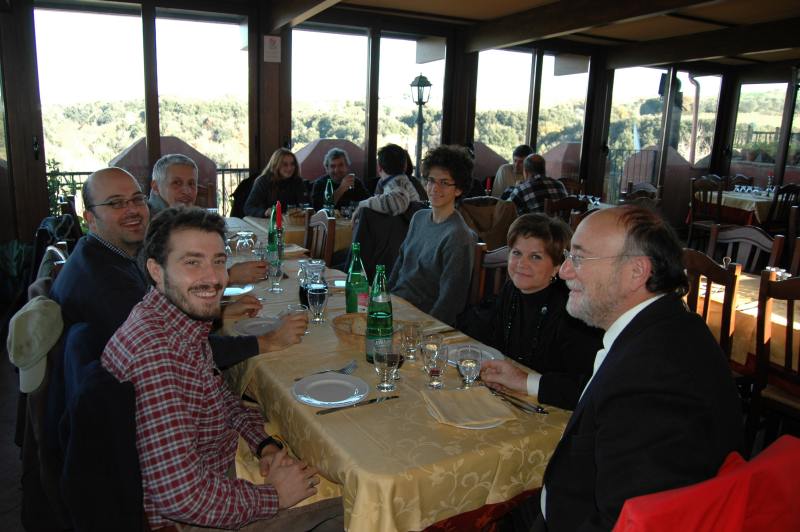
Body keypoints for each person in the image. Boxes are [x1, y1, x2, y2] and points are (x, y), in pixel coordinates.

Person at [484, 206, 742, 530]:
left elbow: (623, 521)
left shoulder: (655, 377)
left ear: (636, 272)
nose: (564, 271)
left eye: (578, 258)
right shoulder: (659, 328)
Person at [102, 207, 342, 531]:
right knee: (353, 498)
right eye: (192, 262)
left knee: (317, 452)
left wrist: (264, 445)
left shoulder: (178, 322)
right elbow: (182, 497)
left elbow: (220, 398)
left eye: (218, 261)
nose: (213, 277)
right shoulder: (156, 353)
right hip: (196, 517)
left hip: (218, 467)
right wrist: (274, 495)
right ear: (156, 271)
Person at [50, 167, 306, 369]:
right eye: (116, 203)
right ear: (90, 219)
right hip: (124, 410)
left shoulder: (103, 255)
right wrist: (267, 341)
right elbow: (182, 353)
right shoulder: (103, 282)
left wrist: (221, 312)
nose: (132, 210)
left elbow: (167, 322)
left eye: (136, 199)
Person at [459, 214, 602, 410]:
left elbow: (588, 388)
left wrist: (524, 381)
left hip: (555, 413)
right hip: (509, 401)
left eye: (535, 256)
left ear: (557, 267)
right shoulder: (511, 291)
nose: (521, 264)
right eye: (516, 253)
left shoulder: (573, 311)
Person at [388, 145, 477, 326]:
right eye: (431, 180)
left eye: (444, 182)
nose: (434, 188)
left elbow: (451, 301)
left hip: (420, 320)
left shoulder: (459, 236)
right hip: (395, 307)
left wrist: (425, 332)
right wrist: (381, 298)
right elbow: (400, 264)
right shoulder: (419, 218)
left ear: (458, 189)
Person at [148, 153, 267, 283]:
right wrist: (230, 276)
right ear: (155, 187)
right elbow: (173, 285)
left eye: (192, 184)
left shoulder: (178, 216)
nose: (186, 191)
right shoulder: (152, 225)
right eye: (176, 183)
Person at [355, 143, 420, 217]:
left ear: (379, 168)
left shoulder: (397, 183)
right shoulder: (402, 181)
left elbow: (397, 202)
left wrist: (362, 204)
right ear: (405, 167)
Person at [244, 148, 308, 217]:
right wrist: (265, 212)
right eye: (285, 164)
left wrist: (302, 210)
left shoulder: (298, 181)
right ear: (275, 165)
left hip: (292, 223)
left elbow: (306, 205)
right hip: (268, 223)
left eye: (292, 164)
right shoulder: (263, 181)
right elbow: (248, 208)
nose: (289, 168)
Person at [501, 153, 567, 215]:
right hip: (562, 226)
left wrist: (517, 188)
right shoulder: (560, 185)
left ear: (526, 172)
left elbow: (504, 210)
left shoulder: (521, 190)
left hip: (536, 226)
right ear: (544, 169)